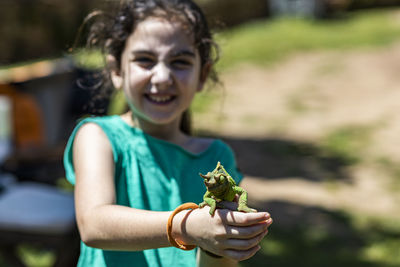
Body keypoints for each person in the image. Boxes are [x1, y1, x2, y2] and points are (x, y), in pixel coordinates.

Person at [63, 0, 273, 266]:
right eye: (145, 60)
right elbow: (93, 224)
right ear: (117, 70)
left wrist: (219, 242)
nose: (162, 77)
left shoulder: (217, 157)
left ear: (202, 75)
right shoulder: (98, 137)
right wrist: (187, 226)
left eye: (180, 61)